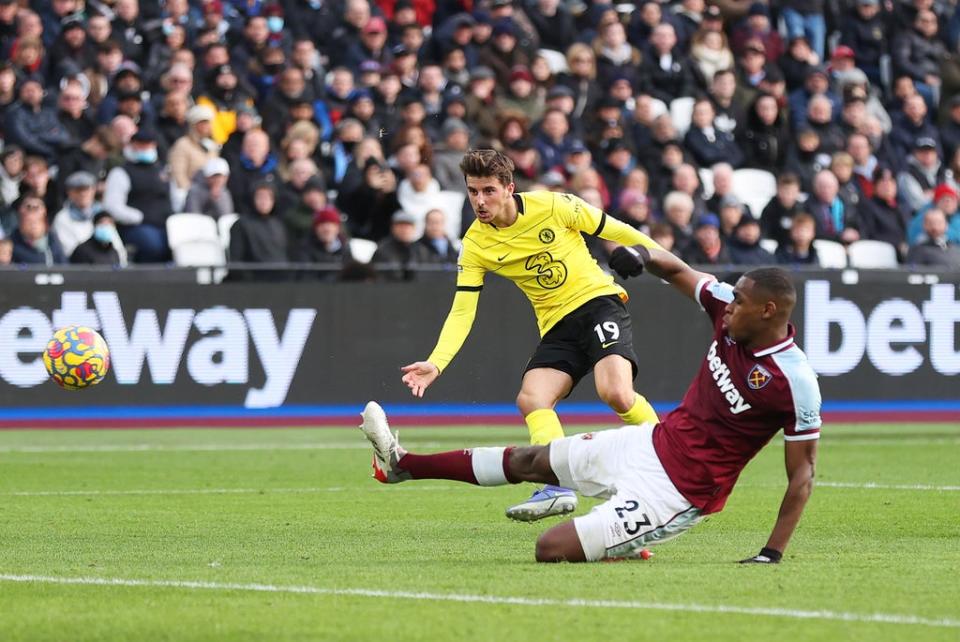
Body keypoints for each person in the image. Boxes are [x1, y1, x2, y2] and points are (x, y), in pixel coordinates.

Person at [362, 260, 821, 564]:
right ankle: (403, 466)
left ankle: (627, 535)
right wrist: (637, 255)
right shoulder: (725, 309)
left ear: (768, 311)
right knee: (532, 461)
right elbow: (678, 269)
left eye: (740, 301)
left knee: (550, 549)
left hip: (679, 492)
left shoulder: (793, 381)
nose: (729, 306)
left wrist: (771, 554)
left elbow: (802, 474)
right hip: (648, 444)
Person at [400, 149, 663, 521]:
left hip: (598, 303)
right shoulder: (475, 244)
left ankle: (671, 460)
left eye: (488, 190)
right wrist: (436, 362)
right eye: (473, 191)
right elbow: (463, 310)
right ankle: (558, 486)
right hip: (556, 324)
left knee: (616, 393)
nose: (480, 200)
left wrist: (655, 258)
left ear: (509, 188)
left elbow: (616, 228)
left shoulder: (556, 205)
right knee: (532, 398)